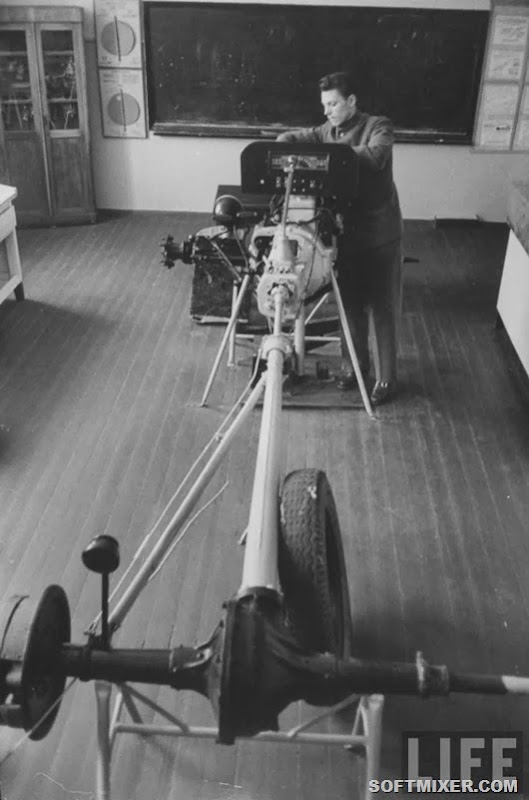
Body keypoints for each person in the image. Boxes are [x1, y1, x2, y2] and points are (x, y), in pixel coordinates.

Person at [277, 71, 403, 406]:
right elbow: (291, 138)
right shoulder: (326, 131)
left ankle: (387, 379)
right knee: (349, 306)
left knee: (383, 308)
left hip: (380, 233)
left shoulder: (379, 126)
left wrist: (327, 154)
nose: (327, 111)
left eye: (333, 104)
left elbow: (375, 156)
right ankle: (354, 369)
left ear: (351, 101)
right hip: (346, 233)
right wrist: (282, 145)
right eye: (324, 105)